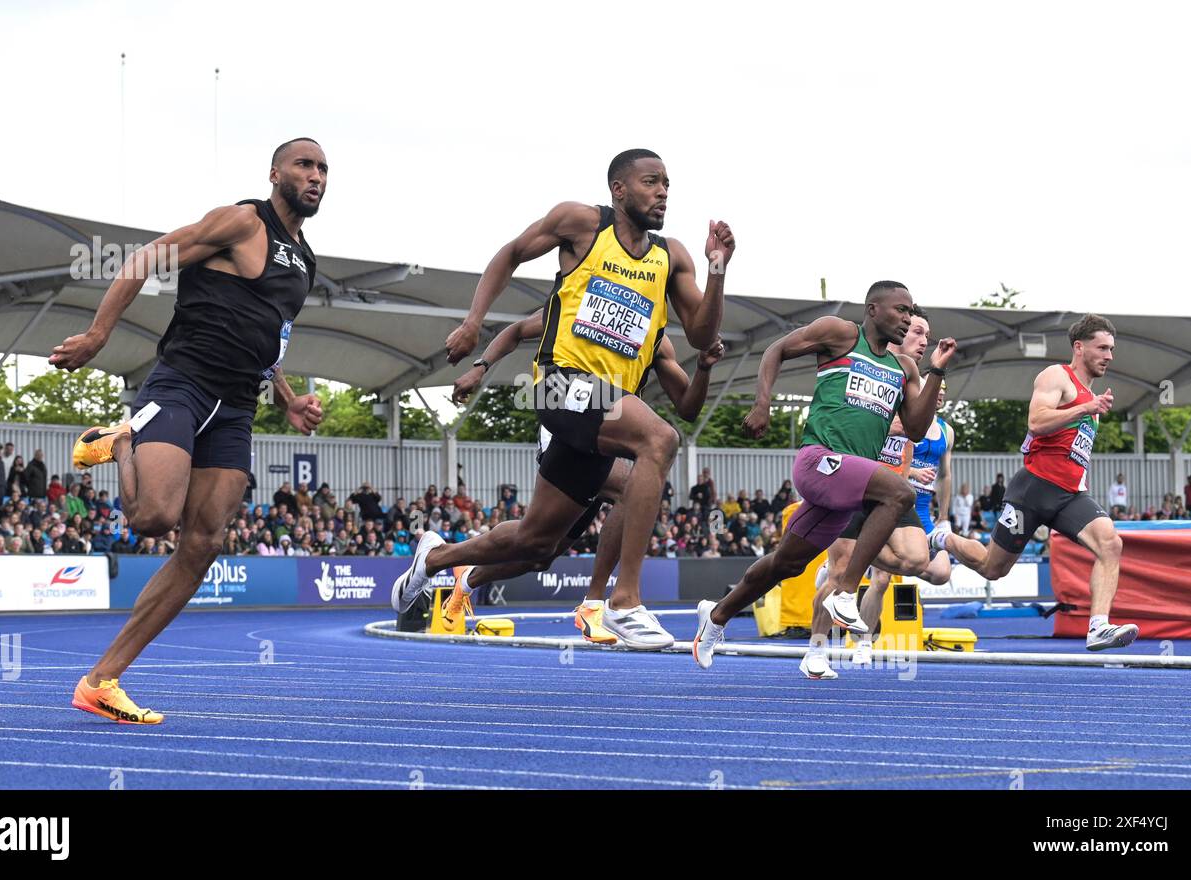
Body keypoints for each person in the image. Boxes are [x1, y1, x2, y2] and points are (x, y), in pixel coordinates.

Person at [393, 149, 735, 649]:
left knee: (537, 544)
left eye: (667, 184)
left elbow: (703, 336)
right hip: (557, 383)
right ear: (619, 189)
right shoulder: (581, 224)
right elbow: (510, 254)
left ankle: (435, 559)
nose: (663, 191)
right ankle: (621, 601)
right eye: (651, 181)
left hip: (603, 413)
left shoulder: (671, 256)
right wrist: (473, 327)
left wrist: (718, 270)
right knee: (660, 439)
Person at [48, 138, 328, 723]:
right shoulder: (241, 222)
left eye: (324, 169)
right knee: (153, 518)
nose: (316, 176)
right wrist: (99, 335)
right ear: (275, 171)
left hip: (237, 407)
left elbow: (269, 336)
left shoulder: (306, 262)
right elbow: (144, 258)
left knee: (203, 543)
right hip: (184, 383)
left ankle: (102, 680)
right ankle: (123, 440)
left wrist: (288, 400)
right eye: (305, 164)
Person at [691, 281, 956, 672]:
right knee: (899, 493)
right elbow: (776, 349)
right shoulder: (841, 334)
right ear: (872, 309)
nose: (906, 317)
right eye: (900, 310)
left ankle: (715, 617)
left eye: (911, 311)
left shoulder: (903, 369)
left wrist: (936, 369)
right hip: (820, 461)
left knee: (786, 563)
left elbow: (916, 429)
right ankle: (845, 591)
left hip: (850, 486)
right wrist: (763, 403)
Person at [442, 309, 725, 646]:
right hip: (563, 409)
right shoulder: (585, 298)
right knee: (628, 487)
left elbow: (688, 409)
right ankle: (595, 604)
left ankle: (459, 570)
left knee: (540, 550)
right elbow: (517, 329)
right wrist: (480, 368)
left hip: (605, 429)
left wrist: (704, 369)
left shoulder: (657, 339)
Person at [929, 314, 1138, 651]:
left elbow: (1076, 452)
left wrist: (1088, 411)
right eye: (1103, 347)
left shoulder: (1092, 401)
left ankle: (1098, 626)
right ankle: (943, 537)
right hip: (1034, 488)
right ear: (1079, 347)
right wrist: (1084, 408)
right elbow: (1037, 421)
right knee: (992, 568)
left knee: (1111, 544)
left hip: (1070, 494)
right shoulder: (1058, 376)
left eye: (1112, 349)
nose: (1110, 356)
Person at [812, 306, 958, 676]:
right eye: (917, 332)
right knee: (841, 573)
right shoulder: (871, 365)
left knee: (916, 561)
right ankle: (815, 650)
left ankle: (851, 565)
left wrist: (910, 476)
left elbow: (914, 434)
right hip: (855, 480)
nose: (924, 341)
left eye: (926, 334)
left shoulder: (912, 377)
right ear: (898, 331)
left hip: (892, 489)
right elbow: (861, 422)